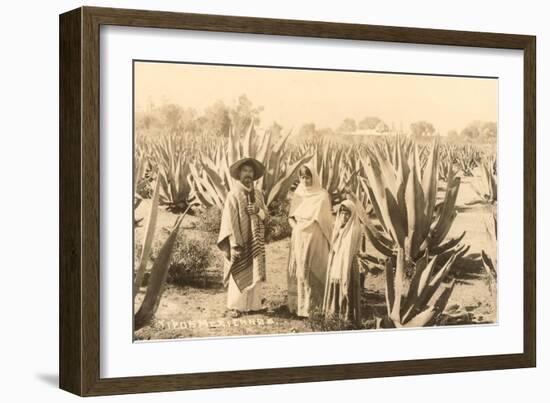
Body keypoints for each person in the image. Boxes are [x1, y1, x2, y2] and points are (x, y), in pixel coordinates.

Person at [217, 157, 268, 317]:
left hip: (256, 240)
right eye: (245, 171)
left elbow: (266, 216)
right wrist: (235, 243)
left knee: (255, 270)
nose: (248, 174)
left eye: (250, 171)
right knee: (240, 269)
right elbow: (229, 222)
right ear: (239, 174)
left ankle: (254, 305)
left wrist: (258, 211)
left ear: (254, 175)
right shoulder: (234, 195)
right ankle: (236, 306)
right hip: (239, 240)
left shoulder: (258, 194)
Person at [287, 163, 333, 317]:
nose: (305, 180)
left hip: (316, 238)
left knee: (315, 270)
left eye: (308, 177)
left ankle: (315, 308)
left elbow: (326, 222)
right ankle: (301, 308)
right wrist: (296, 228)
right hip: (299, 238)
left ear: (314, 177)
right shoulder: (299, 194)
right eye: (302, 177)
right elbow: (291, 217)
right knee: (301, 272)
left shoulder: (322, 195)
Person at [323, 200, 362, 324]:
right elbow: (334, 247)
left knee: (348, 289)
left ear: (352, 215)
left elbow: (350, 251)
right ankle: (334, 317)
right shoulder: (338, 228)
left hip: (348, 265)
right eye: (342, 213)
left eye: (347, 214)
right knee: (336, 288)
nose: (344, 217)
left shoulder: (354, 229)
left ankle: (347, 319)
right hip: (337, 263)